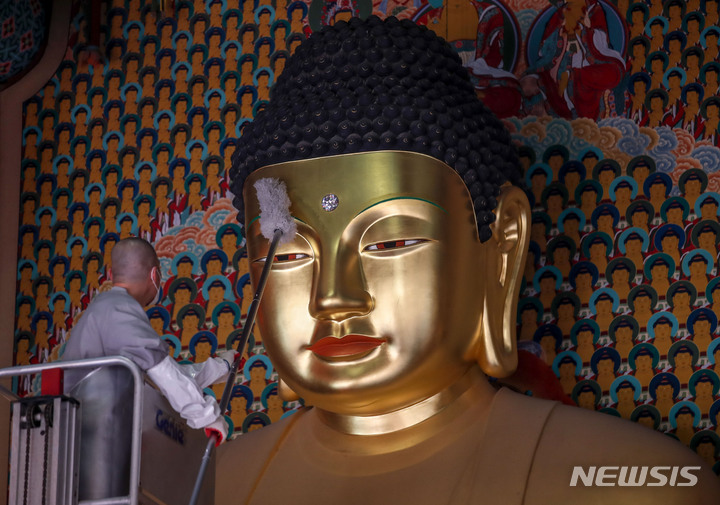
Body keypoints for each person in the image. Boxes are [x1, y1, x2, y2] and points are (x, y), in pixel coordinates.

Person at [215, 16, 719, 504]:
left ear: (501, 249)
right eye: (289, 256)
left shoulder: (635, 485)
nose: (333, 298)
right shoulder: (202, 487)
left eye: (389, 244)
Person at [62, 238, 233, 500]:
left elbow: (165, 374)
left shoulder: (106, 309)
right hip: (91, 445)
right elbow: (161, 370)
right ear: (155, 275)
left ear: (111, 273)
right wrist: (208, 418)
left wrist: (220, 368)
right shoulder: (117, 309)